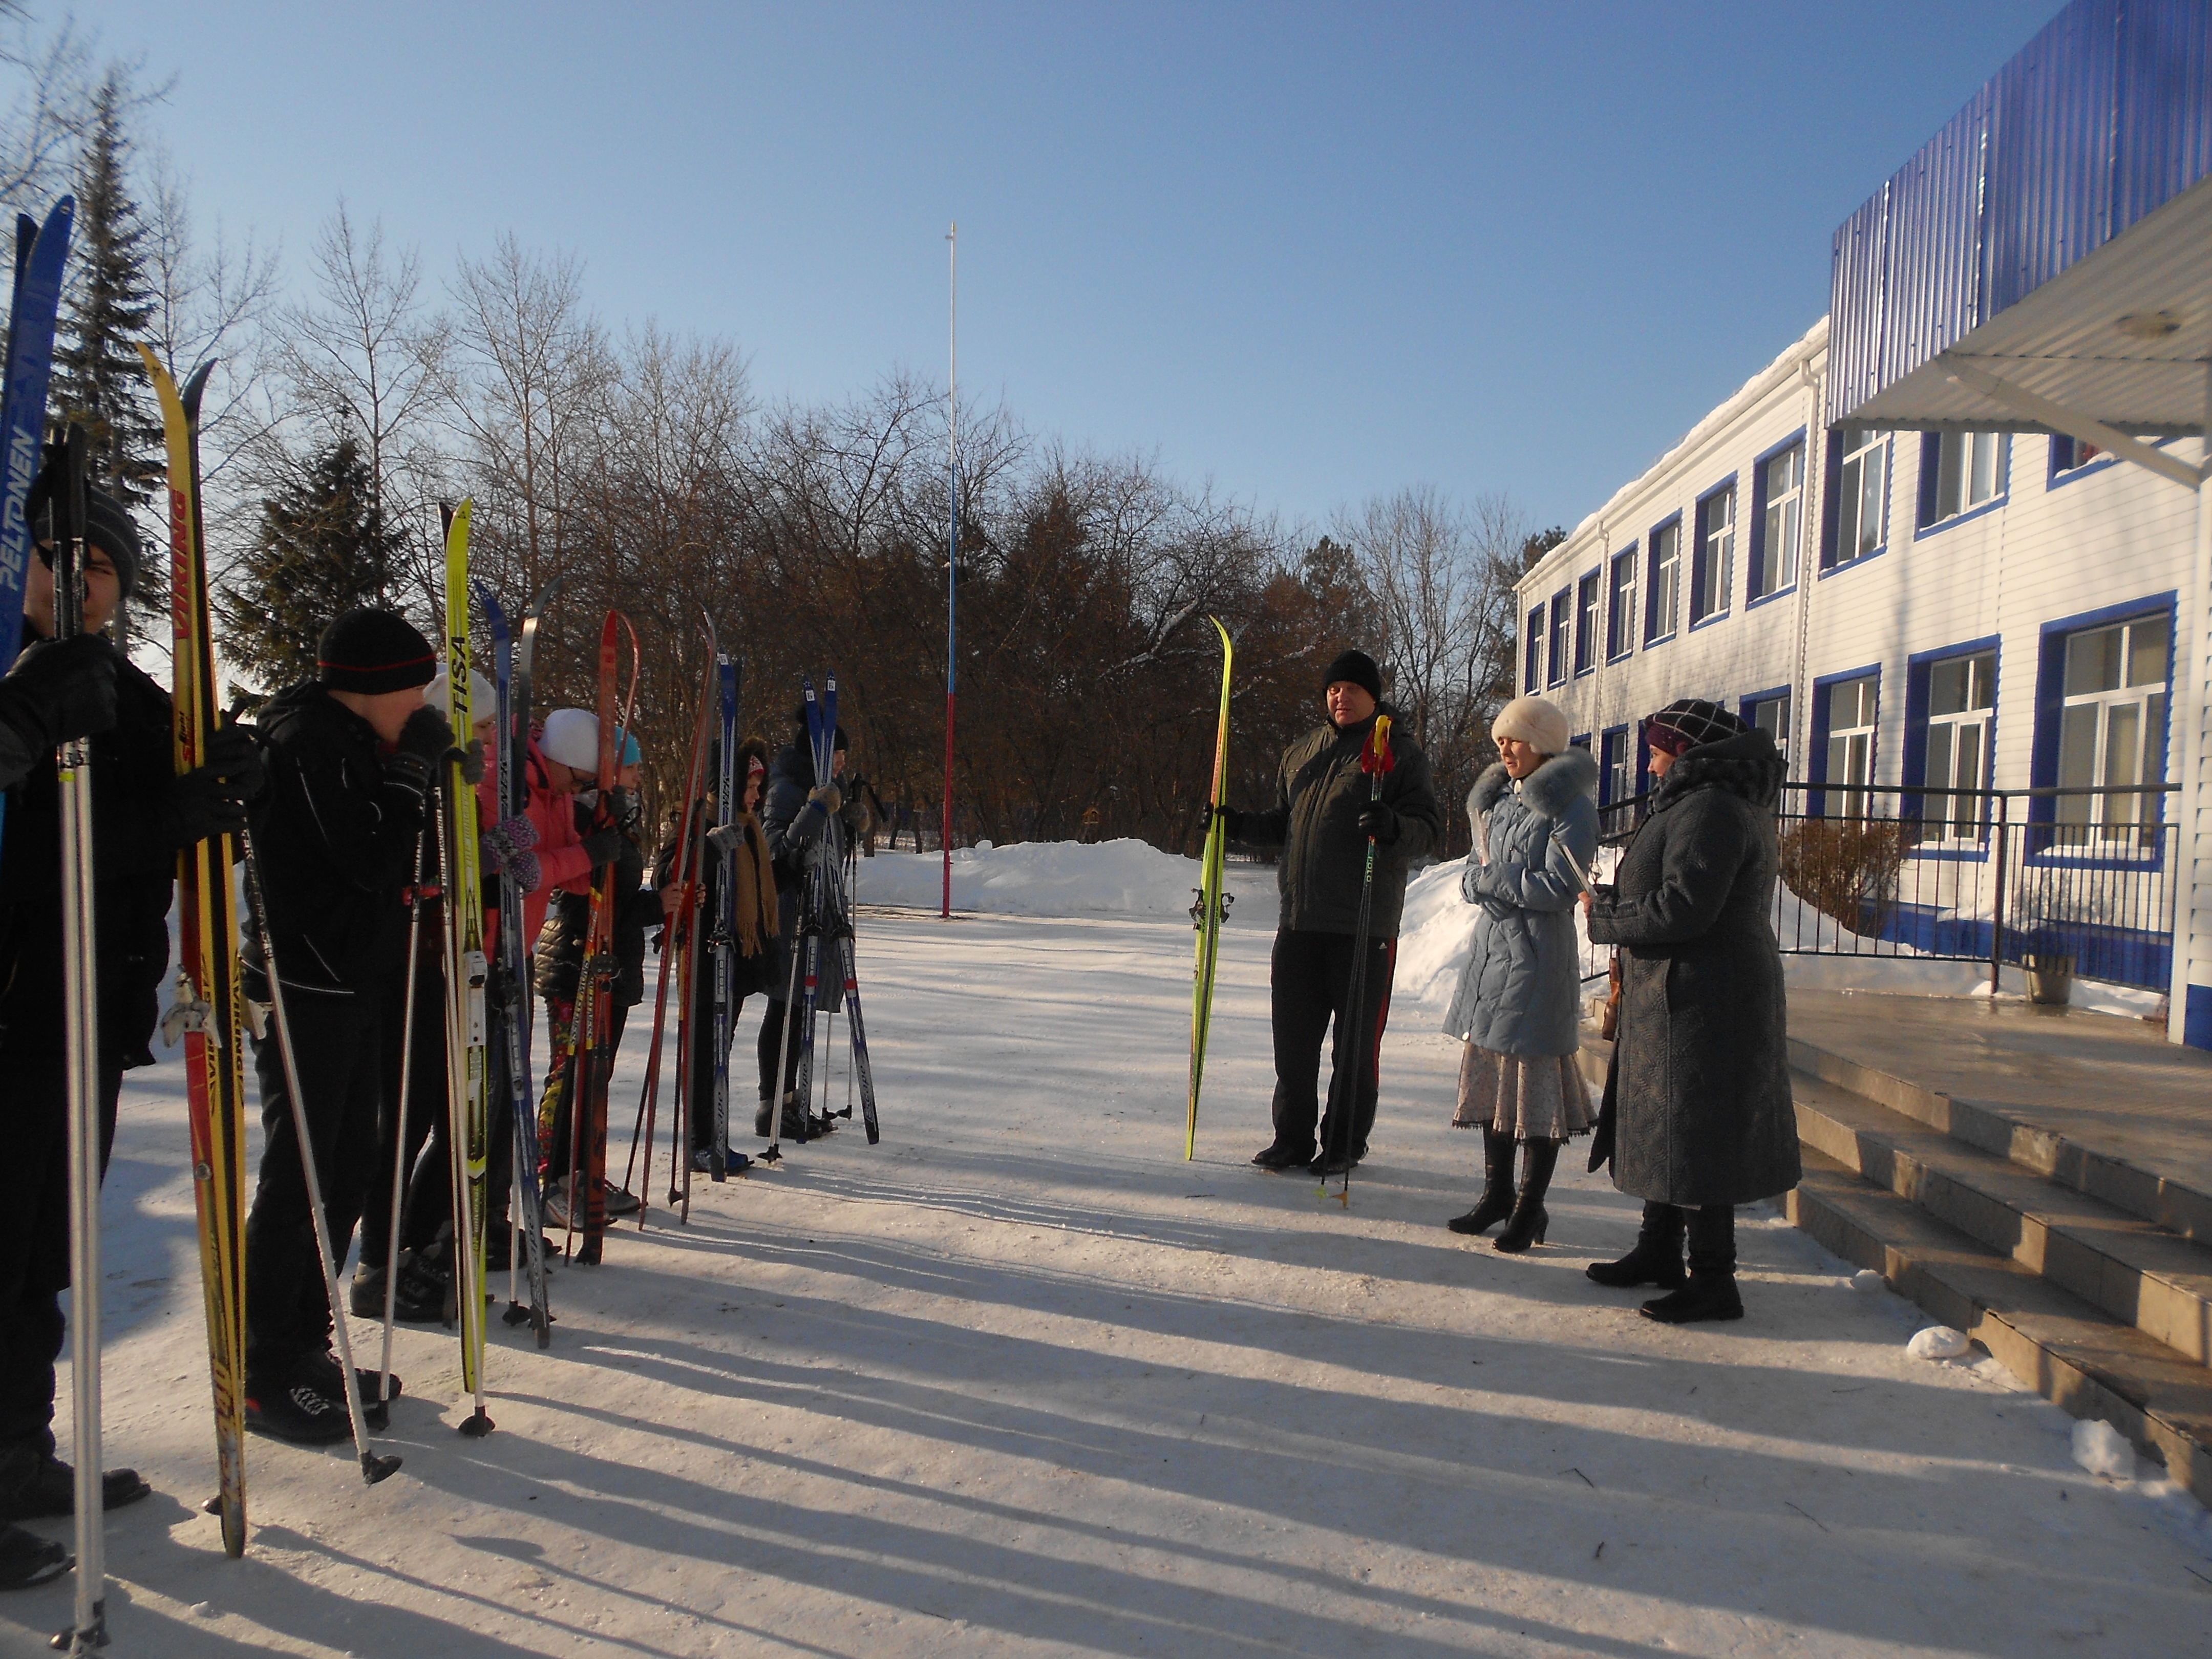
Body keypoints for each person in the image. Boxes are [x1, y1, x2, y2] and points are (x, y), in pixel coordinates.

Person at [0, 470, 256, 1585]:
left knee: (40, 1257)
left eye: (100, 567)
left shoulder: (123, 688)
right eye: (59, 559)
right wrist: (165, 819)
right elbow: (40, 846)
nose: (77, 582)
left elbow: (176, 793)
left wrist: (228, 778)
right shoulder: (16, 680)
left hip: (86, 1011)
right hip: (15, 1007)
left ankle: (15, 1453)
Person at [239, 607, 452, 1442]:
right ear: (372, 686)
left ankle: (303, 1342)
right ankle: (263, 1367)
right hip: (305, 984)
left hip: (355, 980)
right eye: (414, 689)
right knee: (301, 1176)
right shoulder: (305, 743)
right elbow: (367, 860)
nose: (421, 703)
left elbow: (398, 863)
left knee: (351, 1166)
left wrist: (423, 778)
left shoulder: (357, 741)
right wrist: (411, 779)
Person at [1583, 698, 1799, 1324]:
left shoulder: (1711, 807)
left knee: (1698, 1131)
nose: (1650, 767)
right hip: (1688, 987)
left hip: (1705, 993)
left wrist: (1608, 918)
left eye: (1656, 753)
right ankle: (1659, 1249)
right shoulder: (1708, 801)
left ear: (1686, 752)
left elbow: (1685, 907)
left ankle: (1713, 1279)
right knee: (1674, 1125)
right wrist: (1619, 900)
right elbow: (1675, 891)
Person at [1213, 650, 1442, 1175]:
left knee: (1354, 1049)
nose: (1341, 697)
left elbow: (1427, 829)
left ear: (1373, 696)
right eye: (1333, 690)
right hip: (1299, 922)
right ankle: (1291, 1138)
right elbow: (1284, 824)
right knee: (1293, 1044)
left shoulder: (1399, 752)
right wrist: (1235, 825)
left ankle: (1343, 1142)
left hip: (1363, 924)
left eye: (1352, 689)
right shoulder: (1301, 752)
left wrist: (1394, 827)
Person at [1442, 695, 1598, 1251]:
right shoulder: (1499, 800)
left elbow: (1559, 887)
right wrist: (1481, 882)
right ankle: (1497, 1195)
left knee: (1533, 1096)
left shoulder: (1569, 807)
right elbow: (1472, 870)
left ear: (1543, 743)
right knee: (1493, 1086)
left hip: (1537, 961)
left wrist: (1492, 881)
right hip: (1492, 958)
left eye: (1515, 739)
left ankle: (1530, 1209)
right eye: (1500, 740)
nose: (1505, 749)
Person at [535, 715, 657, 1230]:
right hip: (574, 961)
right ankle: (552, 1179)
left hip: (612, 962)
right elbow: (581, 895)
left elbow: (619, 900)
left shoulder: (619, 817)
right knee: (571, 1073)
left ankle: (583, 1171)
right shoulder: (582, 812)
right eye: (632, 769)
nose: (638, 778)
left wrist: (661, 903)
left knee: (595, 1075)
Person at [654, 737, 778, 1172]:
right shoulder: (695, 821)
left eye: (759, 786)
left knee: (720, 1046)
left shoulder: (750, 826)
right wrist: (708, 846)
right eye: (750, 786)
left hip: (736, 954)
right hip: (703, 953)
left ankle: (712, 1133)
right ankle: (699, 1140)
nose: (756, 796)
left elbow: (761, 884)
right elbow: (668, 875)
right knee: (703, 1047)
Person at [757, 710, 864, 1138]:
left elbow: (827, 853)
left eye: (844, 756)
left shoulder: (828, 788)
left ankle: (794, 1099)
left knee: (802, 1007)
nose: (842, 763)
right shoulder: (786, 789)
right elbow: (777, 851)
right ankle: (774, 1104)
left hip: (819, 909)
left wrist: (850, 827)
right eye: (837, 755)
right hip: (790, 911)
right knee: (784, 1006)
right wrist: (816, 809)